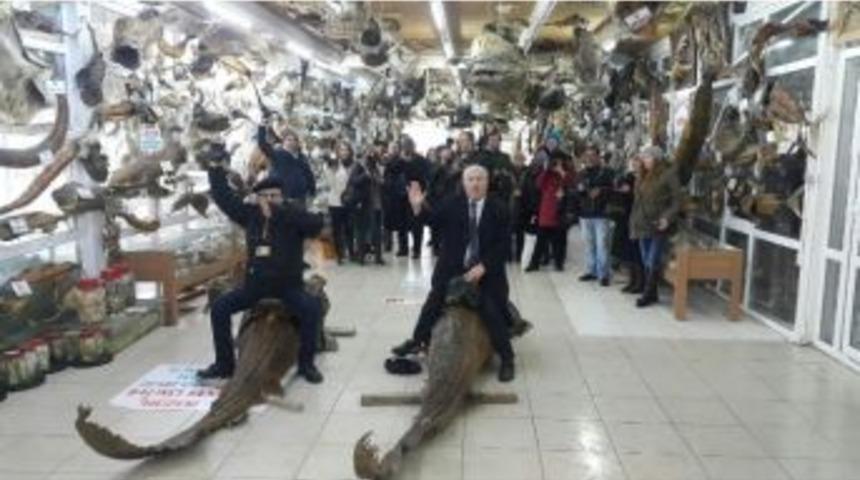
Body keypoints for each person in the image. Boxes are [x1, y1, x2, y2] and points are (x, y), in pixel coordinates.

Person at [199, 164, 325, 383]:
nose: (269, 200)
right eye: (264, 196)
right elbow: (224, 199)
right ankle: (224, 364)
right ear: (257, 198)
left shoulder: (293, 214)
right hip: (255, 286)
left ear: (282, 197)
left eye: (274, 196)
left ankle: (306, 364)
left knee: (312, 309)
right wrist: (215, 171)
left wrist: (280, 212)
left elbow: (316, 225)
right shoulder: (251, 215)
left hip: (288, 286)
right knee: (219, 308)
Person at [390, 165, 516, 382]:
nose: (475, 184)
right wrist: (418, 208)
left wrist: (484, 266)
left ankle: (507, 358)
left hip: (486, 270)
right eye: (470, 179)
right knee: (433, 302)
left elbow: (504, 245)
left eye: (480, 179)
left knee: (491, 309)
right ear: (464, 183)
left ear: (487, 183)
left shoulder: (499, 209)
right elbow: (432, 220)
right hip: (453, 268)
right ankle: (418, 340)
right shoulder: (452, 203)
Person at [630, 146, 681, 308]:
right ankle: (653, 293)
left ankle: (647, 294)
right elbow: (638, 201)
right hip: (642, 223)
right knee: (646, 259)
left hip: (658, 224)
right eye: (644, 157)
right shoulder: (643, 175)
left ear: (657, 159)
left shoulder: (668, 174)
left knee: (653, 259)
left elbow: (677, 201)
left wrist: (667, 218)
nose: (644, 160)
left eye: (648, 157)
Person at [526, 156, 574, 272]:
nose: (556, 166)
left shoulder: (564, 175)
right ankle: (534, 264)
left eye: (559, 163)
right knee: (540, 242)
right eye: (555, 163)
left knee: (559, 241)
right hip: (546, 212)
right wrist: (546, 169)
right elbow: (538, 184)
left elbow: (570, 183)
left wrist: (562, 172)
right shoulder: (547, 176)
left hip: (559, 213)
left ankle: (558, 264)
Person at [577, 146, 615, 286]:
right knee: (589, 244)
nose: (590, 158)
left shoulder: (607, 172)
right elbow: (576, 193)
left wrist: (601, 191)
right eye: (587, 155)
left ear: (598, 157)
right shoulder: (581, 173)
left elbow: (614, 189)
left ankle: (603, 274)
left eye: (593, 155)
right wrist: (580, 190)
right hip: (585, 213)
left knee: (602, 245)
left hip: (601, 213)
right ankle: (591, 270)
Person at [257, 121, 316, 204]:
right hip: (282, 199)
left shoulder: (302, 157)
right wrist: (262, 127)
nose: (292, 142)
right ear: (283, 141)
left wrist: (312, 191)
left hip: (300, 199)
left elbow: (309, 174)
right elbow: (263, 145)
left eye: (294, 140)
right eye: (289, 140)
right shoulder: (277, 154)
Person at [612, 154, 645, 294]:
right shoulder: (629, 177)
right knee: (628, 251)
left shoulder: (645, 178)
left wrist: (629, 191)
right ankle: (632, 281)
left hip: (638, 218)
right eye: (633, 162)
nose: (635, 164)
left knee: (637, 252)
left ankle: (640, 283)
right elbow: (619, 190)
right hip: (626, 218)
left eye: (638, 161)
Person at [402, 136, 433, 259]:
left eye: (408, 145)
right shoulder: (400, 160)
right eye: (404, 145)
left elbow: (428, 175)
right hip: (403, 195)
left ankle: (416, 249)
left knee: (417, 222)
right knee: (406, 222)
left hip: (417, 193)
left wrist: (424, 192)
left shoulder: (421, 160)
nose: (406, 148)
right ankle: (404, 248)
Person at [342, 142, 372, 264]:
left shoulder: (365, 166)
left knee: (363, 229)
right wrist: (365, 175)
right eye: (365, 154)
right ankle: (360, 256)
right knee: (359, 229)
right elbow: (353, 181)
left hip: (365, 201)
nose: (366, 157)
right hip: (358, 202)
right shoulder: (357, 166)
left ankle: (361, 254)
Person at [324, 144, 352, 264]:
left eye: (345, 150)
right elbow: (331, 184)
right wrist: (331, 169)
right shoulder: (329, 167)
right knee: (337, 229)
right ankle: (339, 254)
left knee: (348, 228)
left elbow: (349, 183)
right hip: (334, 202)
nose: (343, 152)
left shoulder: (347, 166)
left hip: (347, 201)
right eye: (341, 150)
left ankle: (350, 252)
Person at [382, 141, 409, 256]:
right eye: (391, 148)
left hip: (400, 196)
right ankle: (387, 245)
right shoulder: (385, 161)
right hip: (388, 196)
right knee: (387, 223)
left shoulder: (401, 162)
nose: (393, 150)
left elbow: (395, 169)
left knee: (401, 224)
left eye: (395, 148)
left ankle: (403, 248)